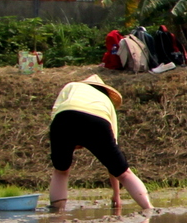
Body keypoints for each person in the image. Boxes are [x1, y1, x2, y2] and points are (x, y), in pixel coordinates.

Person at [47, 74, 153, 214]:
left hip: (63, 118)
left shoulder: (72, 86)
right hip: (97, 120)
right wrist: (116, 194)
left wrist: (68, 140)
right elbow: (112, 154)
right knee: (124, 173)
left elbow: (55, 112)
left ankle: (56, 213)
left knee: (61, 172)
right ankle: (149, 209)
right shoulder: (106, 101)